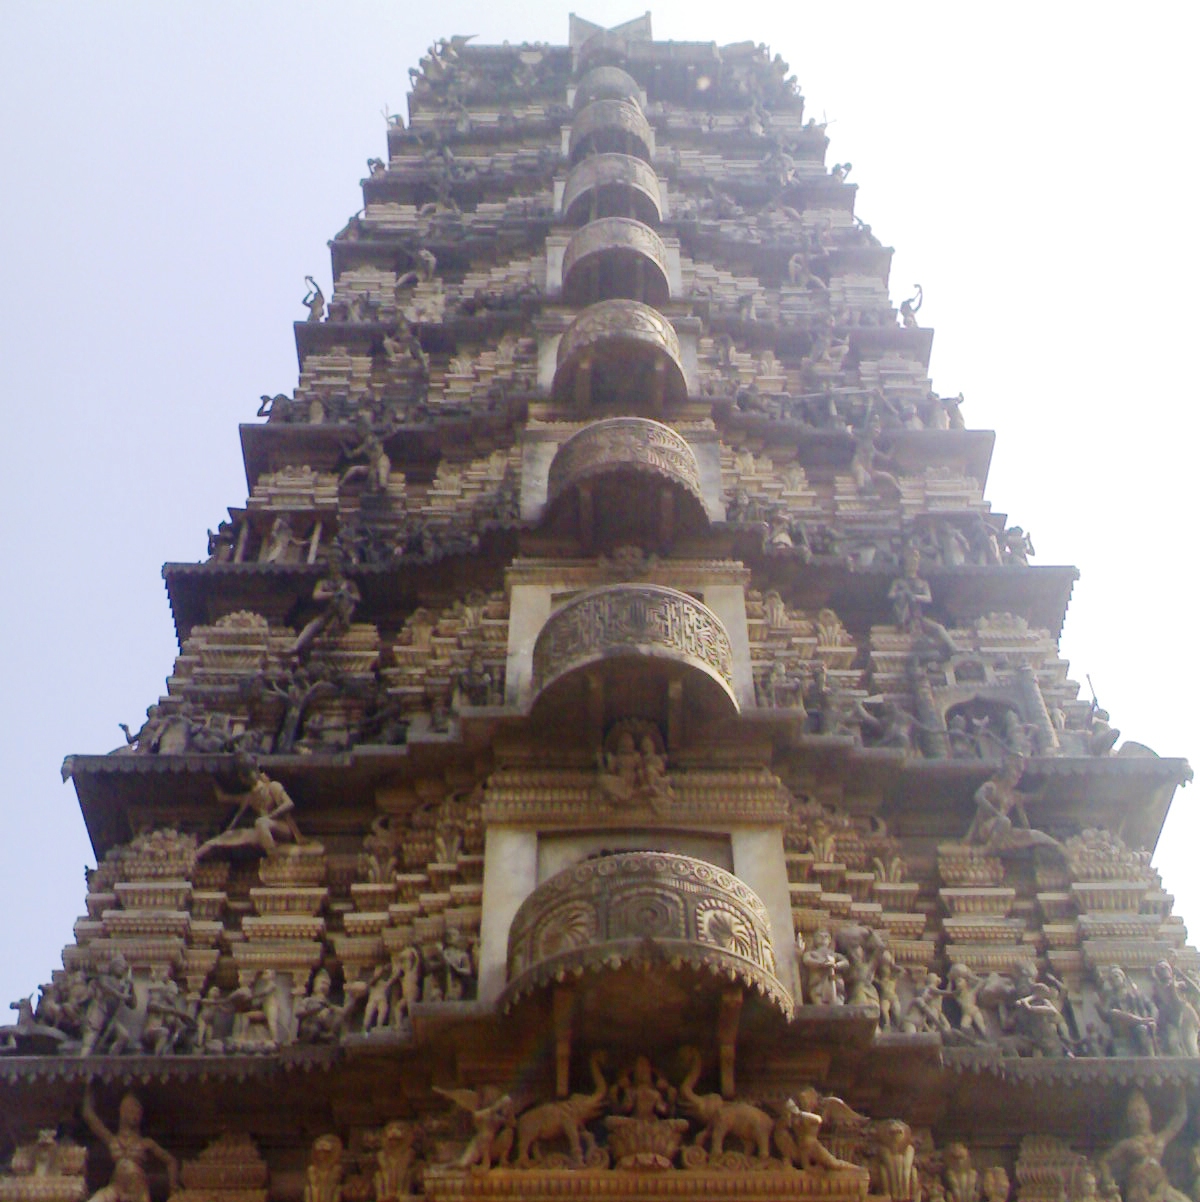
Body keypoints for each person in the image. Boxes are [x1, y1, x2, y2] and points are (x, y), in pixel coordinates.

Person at [81, 1087, 178, 1202]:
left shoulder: (146, 1143)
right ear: (121, 1111)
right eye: (129, 1109)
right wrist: (88, 1087)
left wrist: (173, 1187)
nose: (134, 1113)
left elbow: (171, 1161)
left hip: (138, 1188)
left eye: (137, 1110)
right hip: (116, 1187)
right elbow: (89, 1116)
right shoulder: (112, 1140)